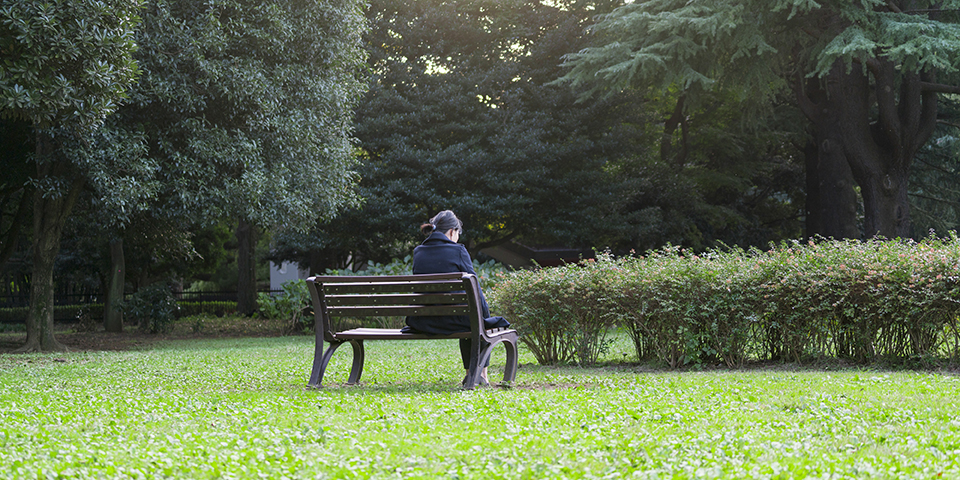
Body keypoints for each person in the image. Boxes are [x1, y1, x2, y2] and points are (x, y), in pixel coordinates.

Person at [404, 210, 508, 386]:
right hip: (453, 320)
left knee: (469, 319)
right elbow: (475, 290)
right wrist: (484, 316)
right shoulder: (458, 251)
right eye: (458, 233)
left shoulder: (418, 252)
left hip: (423, 321)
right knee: (475, 321)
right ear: (452, 232)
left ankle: (472, 373)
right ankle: (480, 374)